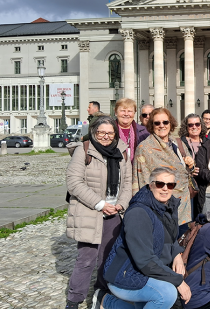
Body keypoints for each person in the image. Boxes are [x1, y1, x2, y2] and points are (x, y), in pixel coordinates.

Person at [65, 116, 132, 309]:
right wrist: (100, 204)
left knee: (108, 257)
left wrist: (121, 204)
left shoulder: (122, 151)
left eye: (110, 133)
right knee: (86, 259)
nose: (105, 136)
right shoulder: (83, 150)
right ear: (94, 132)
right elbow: (74, 182)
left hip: (114, 213)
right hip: (89, 211)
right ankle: (74, 300)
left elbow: (127, 183)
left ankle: (101, 294)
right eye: (101, 132)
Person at [101, 167, 191, 309]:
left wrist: (176, 255)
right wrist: (178, 281)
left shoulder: (167, 206)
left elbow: (170, 236)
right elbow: (145, 260)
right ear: (151, 185)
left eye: (170, 185)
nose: (165, 189)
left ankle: (107, 303)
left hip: (148, 269)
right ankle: (108, 301)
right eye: (160, 184)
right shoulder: (139, 213)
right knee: (166, 294)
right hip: (125, 273)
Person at [133, 107, 193, 233]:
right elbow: (143, 181)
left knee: (181, 245)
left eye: (165, 122)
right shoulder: (145, 148)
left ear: (171, 124)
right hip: (161, 208)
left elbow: (184, 172)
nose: (162, 126)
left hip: (184, 205)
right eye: (157, 123)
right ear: (151, 125)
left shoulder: (178, 144)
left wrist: (190, 165)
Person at [113, 98, 150, 164]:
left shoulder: (144, 132)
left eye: (129, 111)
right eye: (123, 111)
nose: (126, 114)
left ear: (134, 113)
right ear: (116, 112)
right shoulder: (109, 130)